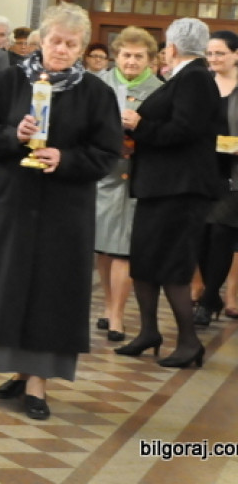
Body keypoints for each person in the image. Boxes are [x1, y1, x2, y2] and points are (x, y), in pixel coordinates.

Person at [0, 2, 121, 421]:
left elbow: (107, 153)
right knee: (11, 287)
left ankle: (38, 383)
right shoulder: (9, 80)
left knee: (51, 293)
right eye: (55, 41)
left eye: (72, 44)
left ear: (83, 47)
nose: (62, 49)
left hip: (63, 210)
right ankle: (17, 369)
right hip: (11, 201)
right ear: (41, 40)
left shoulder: (96, 93)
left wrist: (65, 159)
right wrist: (13, 135)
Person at [117, 18, 222, 369]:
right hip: (161, 186)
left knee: (174, 265)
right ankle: (149, 332)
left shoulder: (195, 79)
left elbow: (184, 130)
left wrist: (139, 125)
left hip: (181, 188)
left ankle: (189, 342)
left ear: (172, 47)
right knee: (145, 260)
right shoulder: (184, 78)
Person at [93, 27, 162, 342]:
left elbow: (168, 133)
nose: (132, 61)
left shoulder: (160, 89)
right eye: (126, 55)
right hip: (105, 175)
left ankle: (118, 316)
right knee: (105, 249)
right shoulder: (100, 84)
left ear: (150, 59)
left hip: (140, 177)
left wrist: (142, 126)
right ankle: (108, 306)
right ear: (116, 56)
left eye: (139, 56)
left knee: (124, 250)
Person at [193, 30, 238, 326]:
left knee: (221, 233)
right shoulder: (202, 85)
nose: (213, 59)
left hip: (234, 176)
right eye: (209, 53)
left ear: (236, 55)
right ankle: (209, 294)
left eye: (219, 53)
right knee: (201, 238)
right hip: (201, 171)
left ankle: (209, 300)